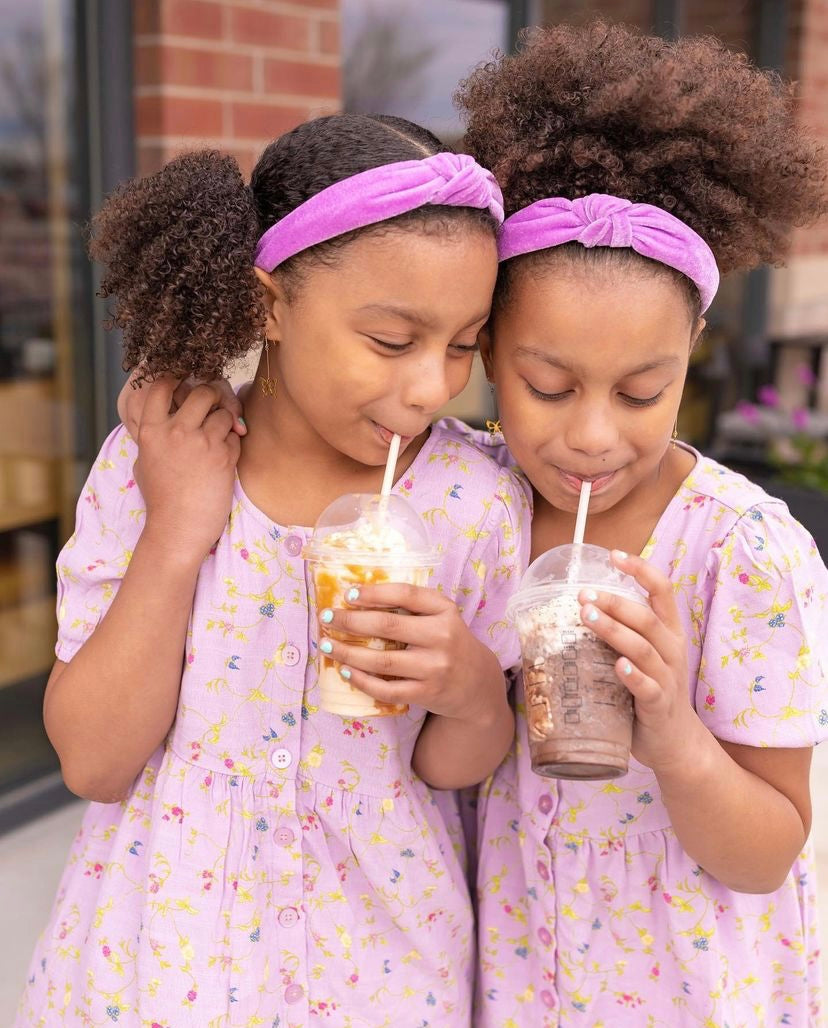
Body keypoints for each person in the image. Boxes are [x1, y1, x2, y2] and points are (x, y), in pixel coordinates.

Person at [16, 113, 531, 1027]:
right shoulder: (156, 464)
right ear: (270, 306)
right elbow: (93, 760)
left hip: (380, 965)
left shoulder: (475, 503)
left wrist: (468, 686)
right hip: (164, 961)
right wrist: (178, 531)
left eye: (463, 345)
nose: (429, 387)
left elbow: (461, 766)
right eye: (390, 339)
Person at [452, 20, 828, 1025]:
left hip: (691, 994)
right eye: (547, 382)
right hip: (526, 983)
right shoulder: (469, 504)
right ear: (489, 344)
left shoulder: (741, 553)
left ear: (695, 344)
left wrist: (674, 734)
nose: (590, 434)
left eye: (641, 389)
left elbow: (769, 847)